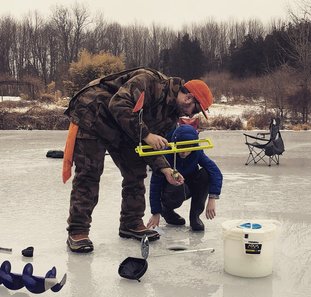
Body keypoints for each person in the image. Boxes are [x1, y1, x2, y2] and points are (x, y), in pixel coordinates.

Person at [62, 67, 213, 253]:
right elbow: (118, 104)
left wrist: (165, 169)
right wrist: (147, 134)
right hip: (93, 114)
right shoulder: (150, 82)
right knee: (89, 174)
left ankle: (130, 223)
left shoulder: (171, 116)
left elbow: (152, 147)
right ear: (189, 98)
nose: (191, 115)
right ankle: (78, 231)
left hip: (124, 127)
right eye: (195, 109)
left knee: (136, 171)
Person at [147, 124, 222, 231]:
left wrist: (212, 197)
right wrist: (156, 212)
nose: (184, 152)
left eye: (188, 148)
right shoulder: (166, 155)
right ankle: (166, 211)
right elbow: (155, 184)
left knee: (206, 173)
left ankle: (194, 217)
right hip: (171, 191)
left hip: (190, 186)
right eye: (180, 148)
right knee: (177, 186)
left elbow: (215, 172)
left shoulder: (197, 153)